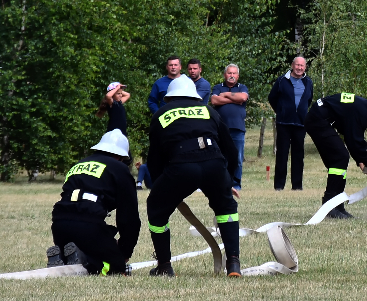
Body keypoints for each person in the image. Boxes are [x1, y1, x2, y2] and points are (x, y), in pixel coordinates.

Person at [146, 75, 242, 277]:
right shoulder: (209, 112)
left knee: (157, 210)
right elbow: (231, 151)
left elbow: (154, 158)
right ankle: (233, 263)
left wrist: (159, 187)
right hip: (214, 163)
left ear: (169, 97)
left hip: (181, 166)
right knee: (226, 208)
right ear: (195, 96)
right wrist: (228, 181)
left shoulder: (161, 114)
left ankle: (164, 265)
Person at [46, 129, 140, 275]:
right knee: (114, 267)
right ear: (121, 156)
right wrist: (124, 252)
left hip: (59, 224)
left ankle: (63, 256)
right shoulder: (119, 168)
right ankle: (87, 259)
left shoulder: (79, 164)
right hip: (87, 225)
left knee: (81, 246)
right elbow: (129, 217)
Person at [304, 92, 367, 218]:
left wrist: (361, 161)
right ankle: (330, 206)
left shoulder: (364, 108)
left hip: (320, 118)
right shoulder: (363, 112)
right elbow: (355, 141)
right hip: (317, 120)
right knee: (340, 158)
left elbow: (351, 135)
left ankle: (336, 206)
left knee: (339, 159)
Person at [268, 56, 313, 191]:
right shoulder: (282, 80)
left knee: (298, 155)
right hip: (283, 123)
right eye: (297, 65)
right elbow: (272, 98)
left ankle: (297, 186)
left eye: (302, 66)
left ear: (305, 67)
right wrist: (281, 111)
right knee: (282, 155)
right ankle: (279, 186)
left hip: (300, 124)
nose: (299, 68)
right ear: (292, 65)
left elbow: (309, 99)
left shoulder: (309, 82)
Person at [211, 64, 250, 189]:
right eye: (229, 73)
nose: (231, 76)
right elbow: (214, 101)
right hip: (220, 129)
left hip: (238, 129)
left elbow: (243, 97)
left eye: (234, 74)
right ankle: (222, 184)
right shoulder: (218, 87)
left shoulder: (242, 87)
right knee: (221, 157)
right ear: (225, 75)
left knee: (237, 159)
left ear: (237, 76)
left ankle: (236, 184)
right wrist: (234, 99)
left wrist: (225, 95)